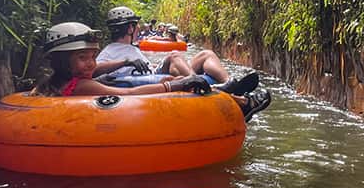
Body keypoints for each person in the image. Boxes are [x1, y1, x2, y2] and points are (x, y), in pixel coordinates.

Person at [93, 7, 272, 119]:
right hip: (150, 80)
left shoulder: (134, 47)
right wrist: (124, 62)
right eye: (136, 25)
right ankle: (200, 83)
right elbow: (93, 71)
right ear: (130, 28)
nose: (138, 28)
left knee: (206, 54)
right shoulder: (110, 52)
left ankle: (230, 84)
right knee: (174, 55)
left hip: (155, 72)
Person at [33, 23, 209, 97]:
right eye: (82, 58)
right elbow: (129, 94)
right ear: (61, 61)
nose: (91, 63)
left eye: (93, 57)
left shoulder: (49, 84)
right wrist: (174, 86)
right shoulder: (82, 86)